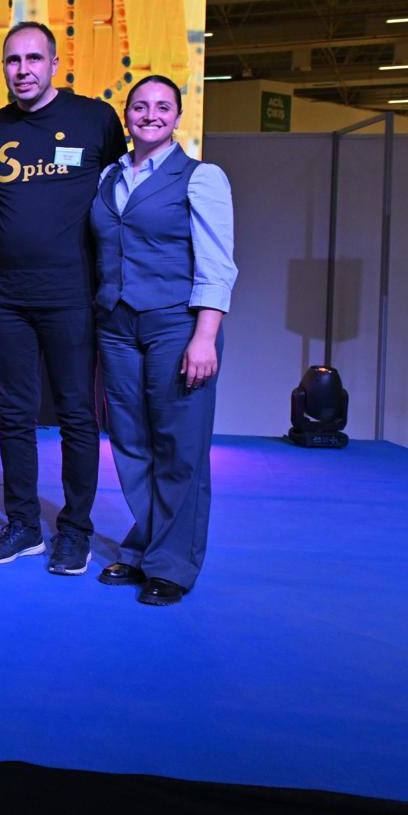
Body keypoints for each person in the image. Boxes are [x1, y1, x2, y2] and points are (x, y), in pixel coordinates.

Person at [0, 21, 127, 574]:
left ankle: (75, 530)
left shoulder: (95, 119)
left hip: (71, 296)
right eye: (13, 60)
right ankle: (22, 525)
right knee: (13, 413)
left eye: (33, 58)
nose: (23, 70)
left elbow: (123, 194)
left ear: (55, 63)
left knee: (77, 415)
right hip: (5, 298)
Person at [90, 76, 235, 606]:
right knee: (131, 443)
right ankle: (148, 545)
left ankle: (173, 565)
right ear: (127, 114)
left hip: (176, 324)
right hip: (117, 325)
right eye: (140, 106)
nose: (150, 115)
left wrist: (205, 336)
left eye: (162, 107)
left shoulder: (201, 177)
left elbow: (218, 262)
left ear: (177, 116)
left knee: (180, 447)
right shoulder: (109, 176)